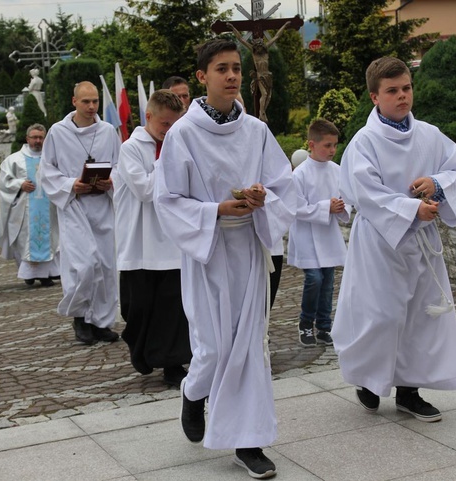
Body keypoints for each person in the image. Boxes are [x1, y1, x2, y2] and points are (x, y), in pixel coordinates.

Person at [154, 37, 298, 479]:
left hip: (250, 249)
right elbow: (167, 199)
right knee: (214, 349)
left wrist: (261, 196)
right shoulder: (183, 134)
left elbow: (283, 183)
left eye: (236, 68)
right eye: (222, 69)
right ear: (202, 76)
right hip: (209, 253)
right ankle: (193, 393)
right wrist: (215, 210)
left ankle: (248, 441)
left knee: (250, 346)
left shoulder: (255, 130)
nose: (233, 75)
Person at [332, 57, 456, 423]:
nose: (402, 96)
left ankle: (411, 391)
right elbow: (364, 192)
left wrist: (436, 184)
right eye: (392, 91)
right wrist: (411, 210)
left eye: (406, 88)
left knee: (422, 316)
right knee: (381, 314)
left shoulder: (429, 133)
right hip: (380, 241)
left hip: (422, 243)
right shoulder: (364, 142)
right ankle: (368, 381)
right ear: (375, 96)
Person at [114, 90, 191, 387]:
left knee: (173, 307)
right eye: (164, 124)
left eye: (174, 124)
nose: (170, 130)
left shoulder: (179, 145)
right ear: (148, 117)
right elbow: (145, 191)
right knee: (138, 306)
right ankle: (142, 350)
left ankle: (173, 362)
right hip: (140, 241)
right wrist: (166, 160)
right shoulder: (131, 148)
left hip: (172, 241)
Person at [39, 81, 121, 345]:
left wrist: (112, 182)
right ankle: (80, 316)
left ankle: (102, 322)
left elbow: (120, 165)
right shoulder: (58, 132)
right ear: (74, 102)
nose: (92, 106)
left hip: (102, 207)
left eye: (95, 101)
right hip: (74, 206)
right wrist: (70, 185)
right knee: (85, 265)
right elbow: (47, 170)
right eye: (86, 101)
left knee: (106, 267)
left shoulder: (108, 131)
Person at [287, 118, 349, 347]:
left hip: (328, 235)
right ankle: (305, 323)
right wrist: (326, 207)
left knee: (328, 282)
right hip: (307, 236)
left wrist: (341, 207)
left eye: (335, 145)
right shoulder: (300, 174)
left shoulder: (337, 170)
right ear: (311, 145)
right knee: (314, 279)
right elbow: (296, 207)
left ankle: (324, 326)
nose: (332, 150)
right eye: (327, 145)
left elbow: (347, 198)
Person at [0, 123, 60, 287]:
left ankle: (46, 275)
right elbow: (4, 183)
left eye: (41, 138)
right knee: (26, 241)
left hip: (49, 207)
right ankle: (29, 274)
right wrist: (19, 184)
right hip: (25, 209)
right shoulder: (14, 160)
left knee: (50, 239)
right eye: (34, 137)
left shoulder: (52, 158)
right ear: (27, 138)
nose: (38, 141)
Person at [226, 21, 290, 122]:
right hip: (260, 76)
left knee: (268, 97)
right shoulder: (254, 52)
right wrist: (233, 28)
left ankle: (263, 111)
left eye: (261, 46)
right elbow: (241, 39)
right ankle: (262, 114)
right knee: (264, 95)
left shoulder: (265, 52)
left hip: (268, 75)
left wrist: (284, 26)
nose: (259, 48)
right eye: (258, 47)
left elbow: (276, 37)